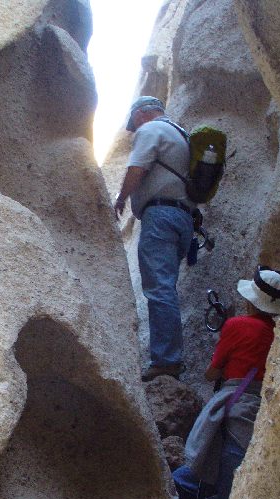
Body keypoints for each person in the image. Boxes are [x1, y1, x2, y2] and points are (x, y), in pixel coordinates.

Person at [172, 266, 280, 499]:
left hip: (232, 412)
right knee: (229, 496)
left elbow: (211, 374)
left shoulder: (237, 325)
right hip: (260, 416)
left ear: (251, 300)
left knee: (189, 482)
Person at [114, 96, 196, 382]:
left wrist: (120, 199)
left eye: (133, 123)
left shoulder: (150, 131)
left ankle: (166, 361)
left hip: (160, 216)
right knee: (166, 287)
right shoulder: (179, 133)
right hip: (183, 219)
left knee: (159, 288)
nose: (133, 130)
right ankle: (169, 357)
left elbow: (137, 168)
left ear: (140, 116)